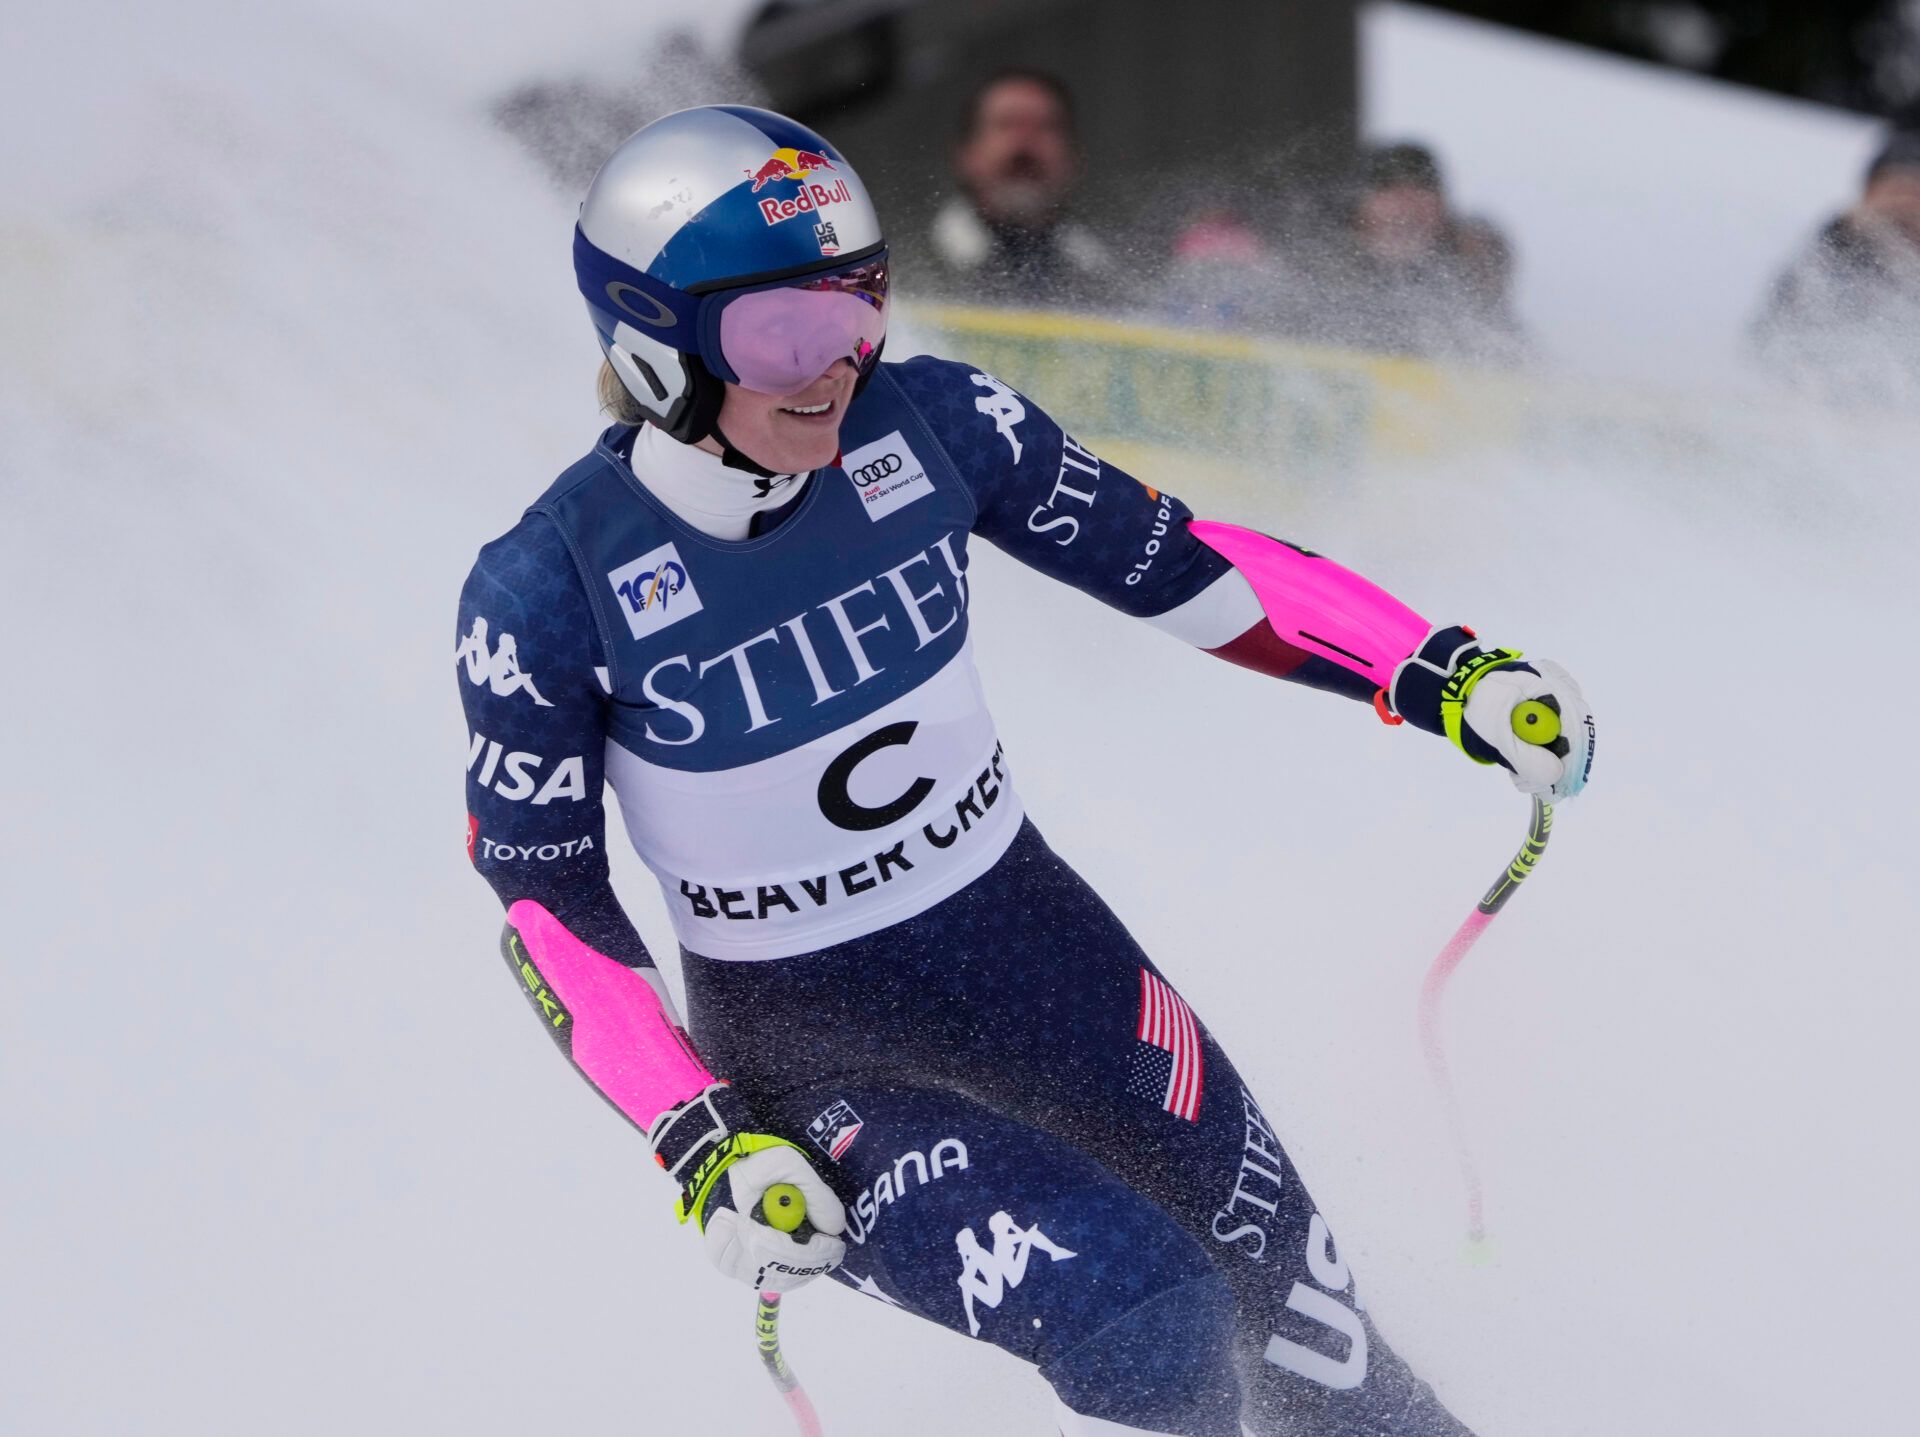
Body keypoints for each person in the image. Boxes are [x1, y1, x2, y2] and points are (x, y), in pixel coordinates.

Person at [457, 104, 1595, 1436]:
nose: (838, 365)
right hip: (819, 1051)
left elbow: (1180, 566)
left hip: (1035, 951)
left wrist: (1435, 668)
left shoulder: (931, 421)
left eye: (858, 305)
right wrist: (701, 1134)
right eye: (784, 332)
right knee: (1152, 1328)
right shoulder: (548, 583)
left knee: (1325, 1349)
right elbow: (546, 909)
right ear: (651, 346)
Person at [1292, 142, 1525, 364]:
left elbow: (1512, 358)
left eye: (1422, 189)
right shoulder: (1317, 267)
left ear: (1443, 208)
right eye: (1389, 189)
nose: (1407, 205)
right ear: (1360, 206)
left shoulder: (1467, 267)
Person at [921, 68, 1118, 308]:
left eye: (1046, 126)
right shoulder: (901, 267)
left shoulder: (1108, 279)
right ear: (965, 154)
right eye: (1006, 124)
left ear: (1074, 158)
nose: (1025, 139)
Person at [1753, 126, 1920, 406]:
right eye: (1895, 191)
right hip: (1819, 402)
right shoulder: (1837, 244)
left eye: (1916, 196)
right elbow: (1772, 337)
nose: (1904, 206)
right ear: (1869, 194)